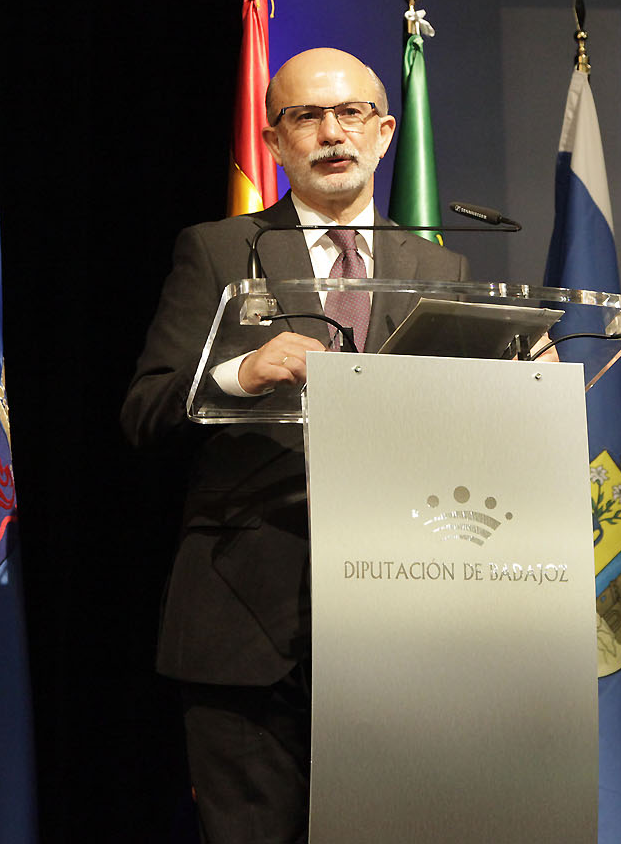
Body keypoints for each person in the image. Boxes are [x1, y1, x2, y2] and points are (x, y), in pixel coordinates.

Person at [120, 47, 469, 842]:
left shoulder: (441, 267)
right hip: (246, 620)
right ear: (274, 141)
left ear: (385, 132)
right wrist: (240, 371)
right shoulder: (217, 249)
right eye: (306, 116)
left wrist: (520, 382)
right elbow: (144, 408)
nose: (332, 133)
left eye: (350, 113)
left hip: (401, 621)